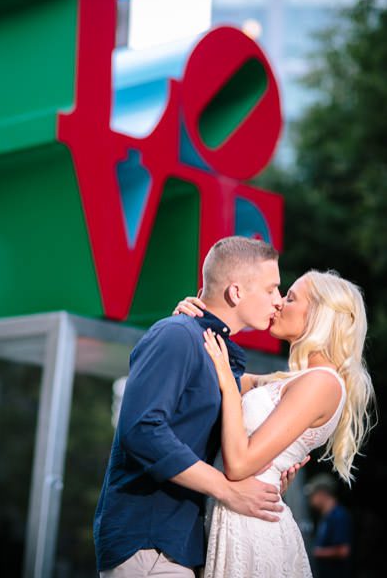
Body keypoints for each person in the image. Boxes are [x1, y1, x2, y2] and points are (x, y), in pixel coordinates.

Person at [93, 236, 289, 577]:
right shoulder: (176, 335)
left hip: (183, 546)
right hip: (150, 545)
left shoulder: (213, 349)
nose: (279, 300)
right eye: (271, 288)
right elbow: (140, 430)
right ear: (236, 292)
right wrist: (228, 490)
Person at [178, 269, 374, 577]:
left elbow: (239, 464)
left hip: (251, 527)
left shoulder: (322, 383)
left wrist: (229, 387)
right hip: (234, 517)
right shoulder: (292, 380)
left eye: (291, 297)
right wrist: (188, 324)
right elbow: (207, 377)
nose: (279, 303)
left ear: (320, 315)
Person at [306, 474, 352, 578]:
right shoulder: (325, 516)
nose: (311, 500)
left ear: (322, 494)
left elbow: (343, 551)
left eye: (312, 495)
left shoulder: (338, 515)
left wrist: (316, 552)